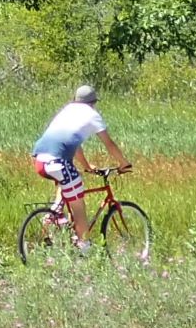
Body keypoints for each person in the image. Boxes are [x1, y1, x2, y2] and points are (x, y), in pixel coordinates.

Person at [31, 84, 131, 250]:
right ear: (94, 102)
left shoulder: (67, 110)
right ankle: (84, 246)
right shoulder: (92, 115)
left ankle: (56, 213)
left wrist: (86, 166)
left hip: (40, 160)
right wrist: (123, 163)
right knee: (78, 206)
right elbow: (109, 144)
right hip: (57, 162)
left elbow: (73, 144)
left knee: (70, 178)